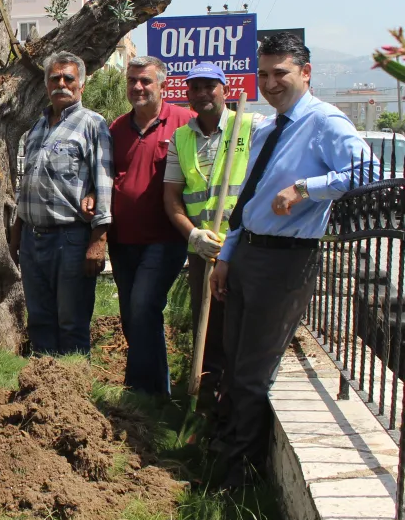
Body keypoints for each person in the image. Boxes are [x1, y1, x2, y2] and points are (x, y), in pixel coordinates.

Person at [210, 32, 376, 489]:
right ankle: (223, 450)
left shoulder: (324, 121)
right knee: (233, 361)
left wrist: (305, 189)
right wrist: (227, 256)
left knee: (253, 372)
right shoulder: (268, 127)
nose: (270, 83)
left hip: (285, 262)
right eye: (263, 74)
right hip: (248, 254)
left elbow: (368, 171)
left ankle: (240, 479)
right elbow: (249, 199)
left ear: (305, 73)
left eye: (280, 73)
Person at [163, 63, 258, 406]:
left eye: (209, 86)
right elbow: (172, 197)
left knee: (243, 324)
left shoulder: (250, 127)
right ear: (187, 93)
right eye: (195, 87)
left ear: (224, 90)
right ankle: (206, 400)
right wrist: (193, 237)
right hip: (205, 249)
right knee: (208, 326)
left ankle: (240, 400)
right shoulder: (181, 138)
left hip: (245, 247)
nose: (202, 93)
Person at [8, 51, 113, 354]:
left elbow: (104, 184)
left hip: (70, 239)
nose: (62, 84)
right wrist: (16, 234)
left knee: (71, 321)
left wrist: (98, 241)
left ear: (82, 84)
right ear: (46, 85)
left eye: (69, 78)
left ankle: (73, 382)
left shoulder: (92, 124)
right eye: (55, 78)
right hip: (32, 240)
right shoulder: (37, 128)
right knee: (39, 320)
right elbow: (27, 183)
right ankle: (43, 380)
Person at [108, 55, 194, 396]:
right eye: (132, 81)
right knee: (131, 314)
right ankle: (155, 389)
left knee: (144, 306)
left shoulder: (185, 123)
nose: (138, 87)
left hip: (164, 238)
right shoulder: (117, 128)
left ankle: (143, 391)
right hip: (122, 240)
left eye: (145, 81)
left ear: (162, 85)